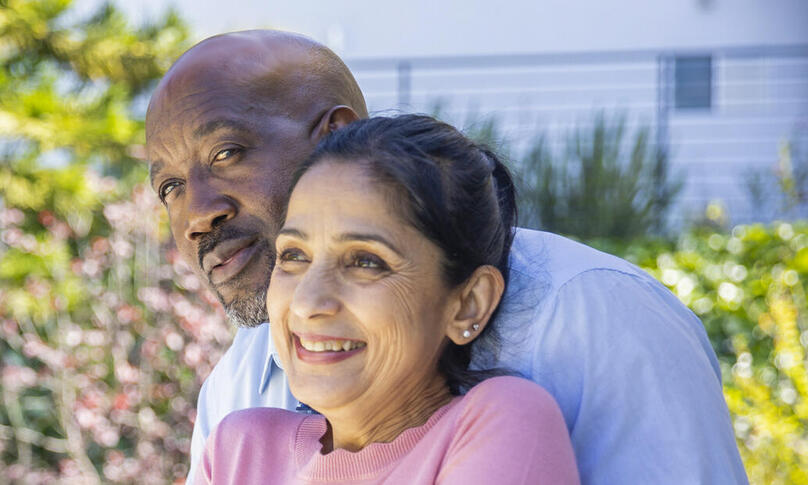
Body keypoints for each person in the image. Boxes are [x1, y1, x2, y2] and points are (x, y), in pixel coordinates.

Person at [143, 30, 747, 484]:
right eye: (168, 187)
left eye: (226, 153)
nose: (195, 215)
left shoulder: (594, 315)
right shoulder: (238, 397)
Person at [196, 114, 577, 484]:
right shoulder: (241, 449)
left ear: (468, 304)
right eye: (293, 256)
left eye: (365, 262)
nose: (307, 303)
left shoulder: (502, 421)